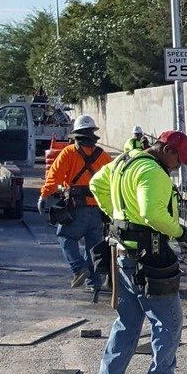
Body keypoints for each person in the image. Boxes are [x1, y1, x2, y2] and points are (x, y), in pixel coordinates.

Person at [89, 129, 187, 374]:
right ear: (168, 150)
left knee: (127, 322)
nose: (177, 167)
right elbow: (152, 213)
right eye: (178, 161)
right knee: (169, 322)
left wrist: (116, 214)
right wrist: (179, 233)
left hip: (123, 254)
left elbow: (96, 184)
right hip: (150, 258)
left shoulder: (124, 162)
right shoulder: (153, 172)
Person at [38, 114, 111, 295]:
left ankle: (79, 268)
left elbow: (53, 176)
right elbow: (115, 179)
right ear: (93, 133)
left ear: (76, 134)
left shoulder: (69, 152)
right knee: (94, 247)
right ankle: (93, 282)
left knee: (65, 236)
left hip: (76, 208)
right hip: (97, 210)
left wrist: (44, 196)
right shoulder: (103, 156)